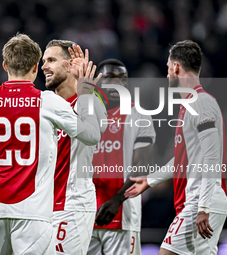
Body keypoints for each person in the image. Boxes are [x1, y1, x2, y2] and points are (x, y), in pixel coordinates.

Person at [0, 33, 102, 255]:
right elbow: (92, 135)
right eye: (44, 61)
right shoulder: (47, 101)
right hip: (32, 208)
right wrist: (87, 90)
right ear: (35, 67)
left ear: (4, 65)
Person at [125, 40, 227, 255]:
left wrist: (203, 208)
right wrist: (150, 180)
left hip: (200, 202)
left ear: (177, 68)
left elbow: (212, 158)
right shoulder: (191, 106)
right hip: (200, 201)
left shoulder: (202, 104)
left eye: (168, 68)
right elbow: (185, 159)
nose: (167, 75)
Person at [41, 40, 107, 255]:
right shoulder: (45, 104)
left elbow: (96, 132)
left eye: (51, 60)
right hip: (41, 207)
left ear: (69, 66)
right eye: (43, 61)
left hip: (72, 205)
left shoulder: (88, 102)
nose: (44, 66)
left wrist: (86, 88)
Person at [85, 59, 155, 255]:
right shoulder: (82, 113)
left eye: (122, 79)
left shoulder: (139, 115)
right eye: (110, 78)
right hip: (84, 215)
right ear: (98, 81)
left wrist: (117, 200)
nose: (117, 84)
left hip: (122, 215)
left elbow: (142, 166)